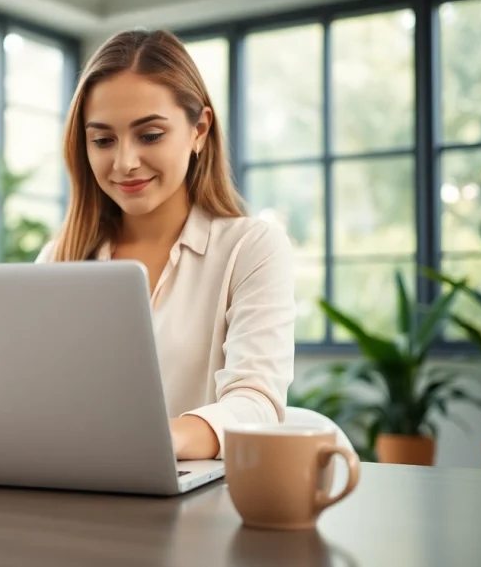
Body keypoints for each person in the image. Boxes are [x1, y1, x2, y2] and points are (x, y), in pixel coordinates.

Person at [36, 28, 296, 461]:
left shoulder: (251, 248)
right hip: (77, 493)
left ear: (199, 130)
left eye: (150, 135)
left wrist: (155, 439)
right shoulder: (60, 260)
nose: (124, 162)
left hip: (200, 508)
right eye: (102, 140)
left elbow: (256, 402)